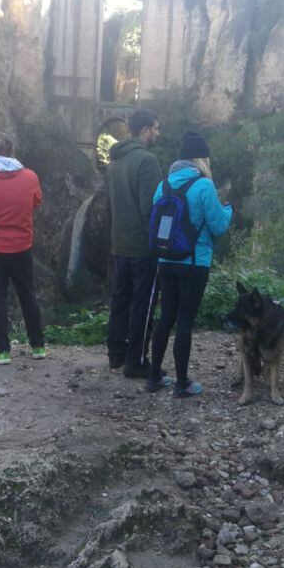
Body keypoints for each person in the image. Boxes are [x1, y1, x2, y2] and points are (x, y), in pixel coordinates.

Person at [147, 132, 232, 398]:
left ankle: (154, 377)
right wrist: (228, 209)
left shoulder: (163, 185)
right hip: (194, 263)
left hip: (165, 261)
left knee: (166, 319)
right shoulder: (204, 186)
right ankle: (182, 383)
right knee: (185, 321)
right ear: (200, 159)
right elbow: (218, 226)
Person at [0, 132, 47, 364]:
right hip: (21, 246)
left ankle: (3, 351)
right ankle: (38, 347)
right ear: (12, 151)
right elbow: (36, 202)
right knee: (28, 295)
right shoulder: (30, 177)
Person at [106, 109, 163, 378]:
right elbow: (150, 209)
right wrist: (159, 244)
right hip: (142, 246)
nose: (158, 134)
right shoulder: (147, 161)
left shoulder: (115, 161)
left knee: (120, 299)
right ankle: (136, 361)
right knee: (143, 303)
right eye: (156, 128)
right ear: (144, 131)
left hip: (119, 244)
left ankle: (116, 354)